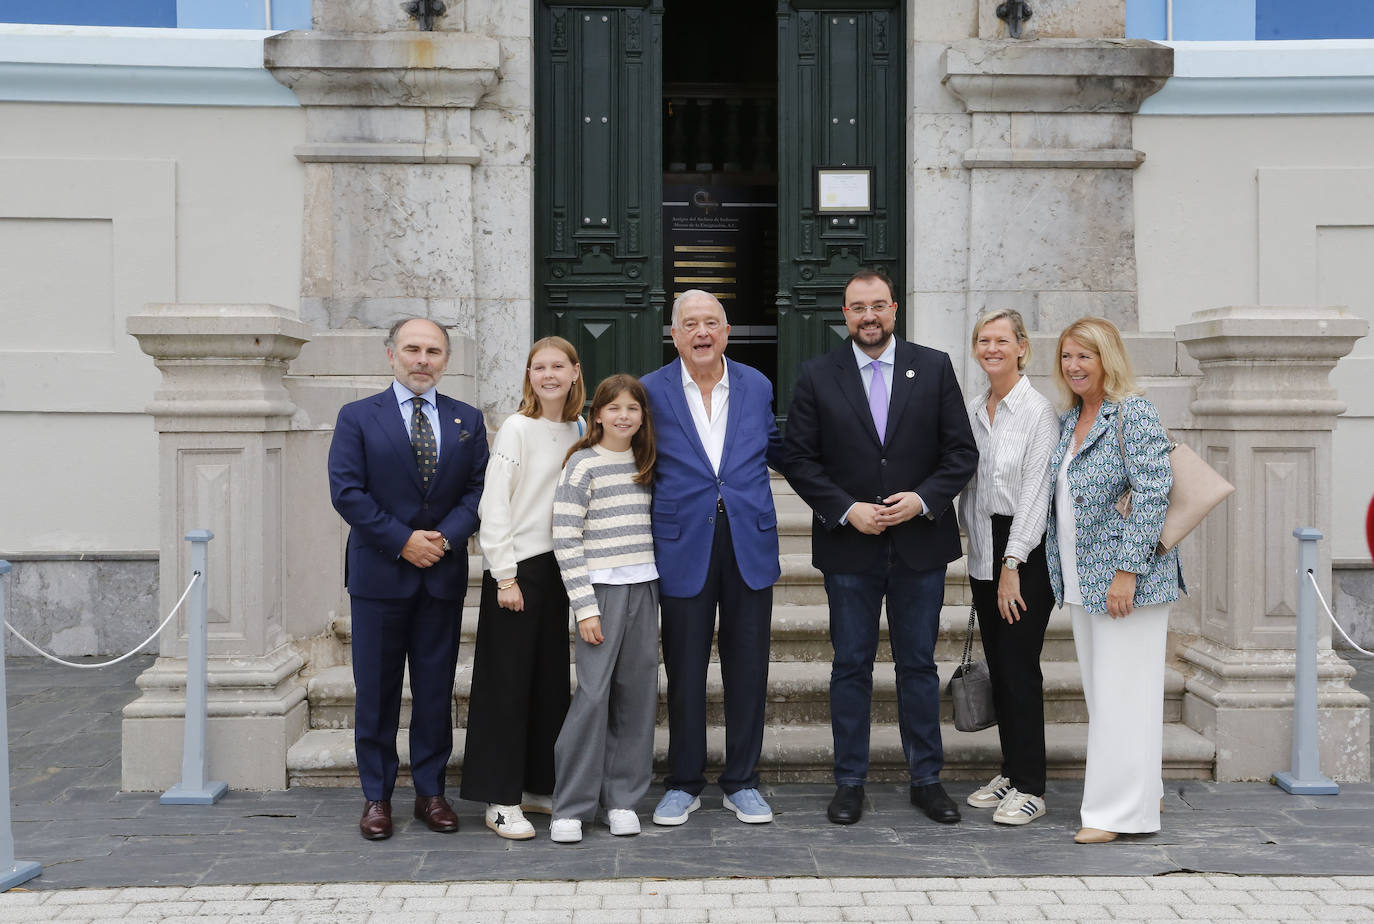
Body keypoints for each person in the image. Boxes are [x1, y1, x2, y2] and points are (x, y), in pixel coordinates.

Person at [782, 269, 977, 827]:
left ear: (894, 309)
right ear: (844, 315)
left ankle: (927, 780)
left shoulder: (934, 366)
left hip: (920, 544)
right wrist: (847, 509)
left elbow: (960, 453)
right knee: (850, 667)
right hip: (850, 548)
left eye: (877, 306)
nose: (867, 316)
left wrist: (924, 500)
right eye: (855, 307)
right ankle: (849, 783)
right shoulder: (819, 375)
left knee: (917, 667)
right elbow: (798, 458)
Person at [327, 318, 488, 841]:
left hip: (440, 577)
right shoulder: (357, 417)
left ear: (446, 359)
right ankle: (377, 796)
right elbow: (348, 492)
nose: (423, 359)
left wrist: (441, 539)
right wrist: (403, 540)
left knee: (436, 691)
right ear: (391, 354)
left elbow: (478, 491)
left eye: (434, 351)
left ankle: (430, 793)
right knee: (376, 692)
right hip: (379, 578)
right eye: (413, 349)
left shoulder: (467, 419)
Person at [641, 289, 784, 826]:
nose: (702, 333)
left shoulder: (757, 384)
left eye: (712, 323)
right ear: (674, 333)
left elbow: (774, 447)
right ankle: (683, 781)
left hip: (749, 540)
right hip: (682, 545)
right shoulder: (651, 390)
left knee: (748, 669)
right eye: (690, 324)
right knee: (684, 670)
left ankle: (742, 780)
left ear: (726, 331)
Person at [1045, 316, 1181, 845]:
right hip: (1082, 578)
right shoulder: (1070, 419)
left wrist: (1127, 573)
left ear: (1109, 359)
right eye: (1066, 357)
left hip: (1127, 583)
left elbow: (1153, 495)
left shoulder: (1134, 413)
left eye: (1086, 356)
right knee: (1109, 697)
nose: (1074, 366)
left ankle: (1115, 813)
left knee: (1123, 694)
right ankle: (1144, 790)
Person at [460, 336, 584, 840]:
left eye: (558, 366)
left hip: (559, 569)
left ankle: (536, 786)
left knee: (549, 684)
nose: (548, 375)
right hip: (519, 571)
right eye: (539, 367)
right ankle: (500, 798)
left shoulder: (578, 428)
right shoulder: (516, 427)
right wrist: (503, 574)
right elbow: (495, 504)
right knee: (505, 687)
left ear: (576, 372)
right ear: (528, 376)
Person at [957, 309, 1059, 826]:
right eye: (982, 340)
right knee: (1000, 669)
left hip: (1024, 552)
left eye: (1001, 340)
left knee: (1020, 669)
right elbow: (969, 488)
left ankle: (1031, 786)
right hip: (984, 548)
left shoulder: (1038, 412)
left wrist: (1012, 562)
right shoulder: (976, 408)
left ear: (1022, 347)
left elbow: (1037, 493)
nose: (991, 348)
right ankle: (1011, 771)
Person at [548, 374, 660, 843]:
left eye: (632, 409)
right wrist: (584, 606)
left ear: (642, 416)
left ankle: (623, 800)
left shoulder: (648, 462)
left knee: (637, 697)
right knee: (592, 695)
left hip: (645, 588)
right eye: (613, 408)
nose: (623, 416)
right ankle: (571, 806)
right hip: (600, 592)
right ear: (596, 415)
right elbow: (565, 537)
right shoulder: (582, 465)